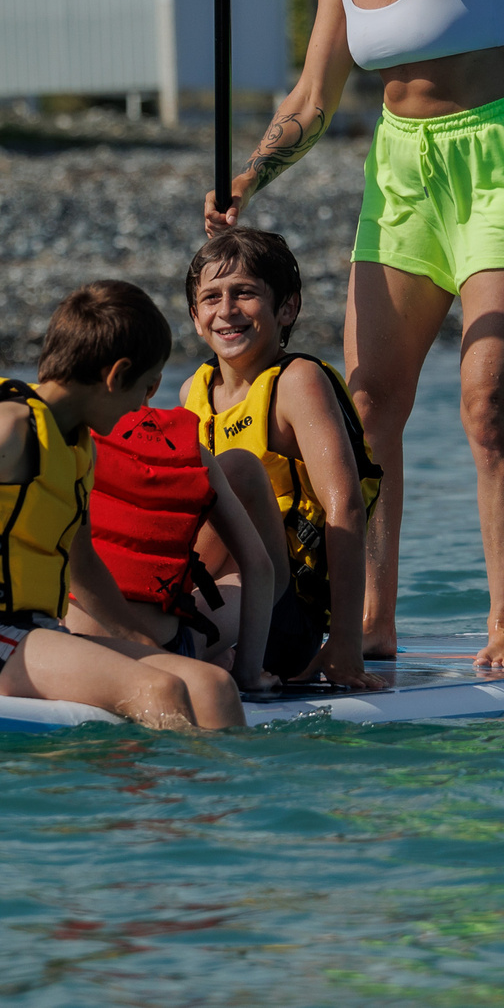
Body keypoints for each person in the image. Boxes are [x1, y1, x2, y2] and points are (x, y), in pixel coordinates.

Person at [194, 0, 504, 671]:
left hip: (493, 166)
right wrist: (251, 176)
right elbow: (314, 97)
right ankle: (370, 621)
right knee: (367, 410)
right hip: (402, 174)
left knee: (486, 406)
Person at [0, 279, 244, 730]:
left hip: (34, 632)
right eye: (144, 389)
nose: (142, 409)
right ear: (115, 375)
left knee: (211, 685)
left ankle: (227, 798)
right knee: (158, 690)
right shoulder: (10, 428)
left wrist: (144, 644)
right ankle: (148, 799)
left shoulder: (74, 446)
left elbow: (81, 559)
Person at [178, 227, 388, 691]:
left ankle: (183, 644)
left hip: (283, 614)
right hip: (207, 590)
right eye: (211, 298)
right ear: (195, 316)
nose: (227, 310)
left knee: (232, 473)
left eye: (245, 294)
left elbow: (346, 508)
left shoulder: (297, 383)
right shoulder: (191, 392)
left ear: (287, 307)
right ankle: (181, 642)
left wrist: (347, 642)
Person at [67, 400, 283, 694]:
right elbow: (260, 568)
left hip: (71, 646)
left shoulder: (64, 439)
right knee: (240, 580)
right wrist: (248, 675)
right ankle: (224, 658)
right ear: (154, 382)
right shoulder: (195, 453)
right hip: (163, 656)